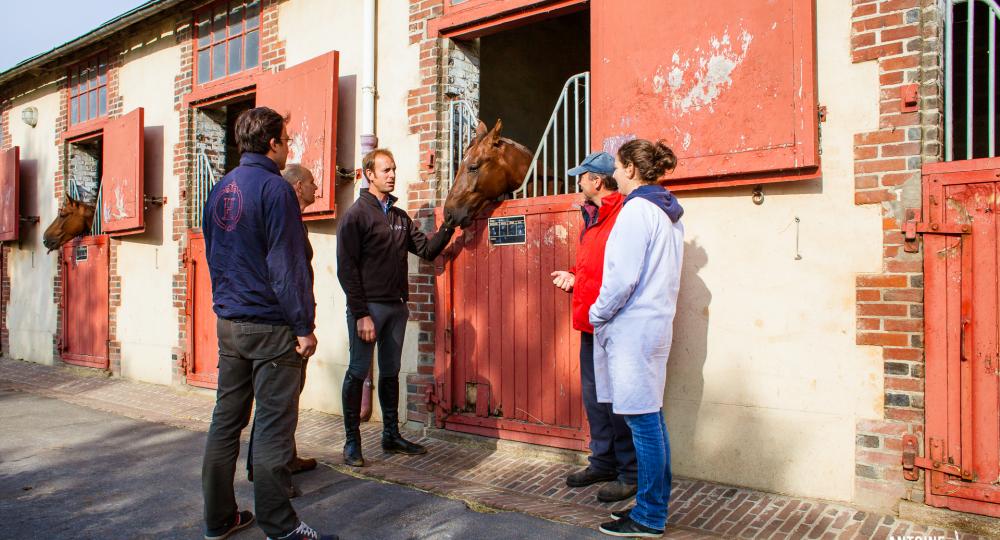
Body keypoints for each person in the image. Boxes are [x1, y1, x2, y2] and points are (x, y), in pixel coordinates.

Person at [201, 107, 336, 540]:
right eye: (286, 138)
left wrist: (225, 303)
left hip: (230, 323)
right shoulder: (275, 189)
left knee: (226, 422)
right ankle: (281, 527)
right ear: (273, 143)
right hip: (271, 327)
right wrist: (303, 325)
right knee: (274, 427)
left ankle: (219, 519)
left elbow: (214, 255)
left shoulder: (220, 187)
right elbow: (287, 264)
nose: (289, 145)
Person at [336, 148, 457, 467]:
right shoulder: (356, 215)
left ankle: (390, 435)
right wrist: (361, 313)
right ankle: (352, 442)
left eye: (393, 169)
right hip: (368, 310)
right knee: (358, 371)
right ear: (368, 175)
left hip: (395, 308)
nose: (391, 174)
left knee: (390, 373)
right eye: (385, 170)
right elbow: (346, 269)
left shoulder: (400, 217)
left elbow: (427, 250)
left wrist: (450, 226)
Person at [590, 139, 684, 538]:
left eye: (616, 164)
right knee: (652, 419)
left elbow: (622, 278)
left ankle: (649, 514)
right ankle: (652, 504)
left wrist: (597, 313)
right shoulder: (667, 212)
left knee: (643, 423)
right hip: (655, 323)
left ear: (630, 168)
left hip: (633, 329)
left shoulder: (636, 212)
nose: (613, 170)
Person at [550, 151, 638, 503]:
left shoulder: (623, 215)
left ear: (596, 181)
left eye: (582, 176)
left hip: (614, 323)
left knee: (619, 399)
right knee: (595, 397)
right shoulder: (593, 215)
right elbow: (596, 267)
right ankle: (603, 461)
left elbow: (622, 272)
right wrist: (574, 277)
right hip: (591, 322)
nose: (578, 182)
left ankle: (629, 472)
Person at [245, 164, 321, 493]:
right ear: (299, 185)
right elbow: (284, 274)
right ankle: (271, 478)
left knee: (288, 398)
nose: (317, 188)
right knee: (277, 403)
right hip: (284, 323)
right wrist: (299, 324)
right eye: (313, 183)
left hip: (292, 319)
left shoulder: (294, 219)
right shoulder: (282, 218)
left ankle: (285, 458)